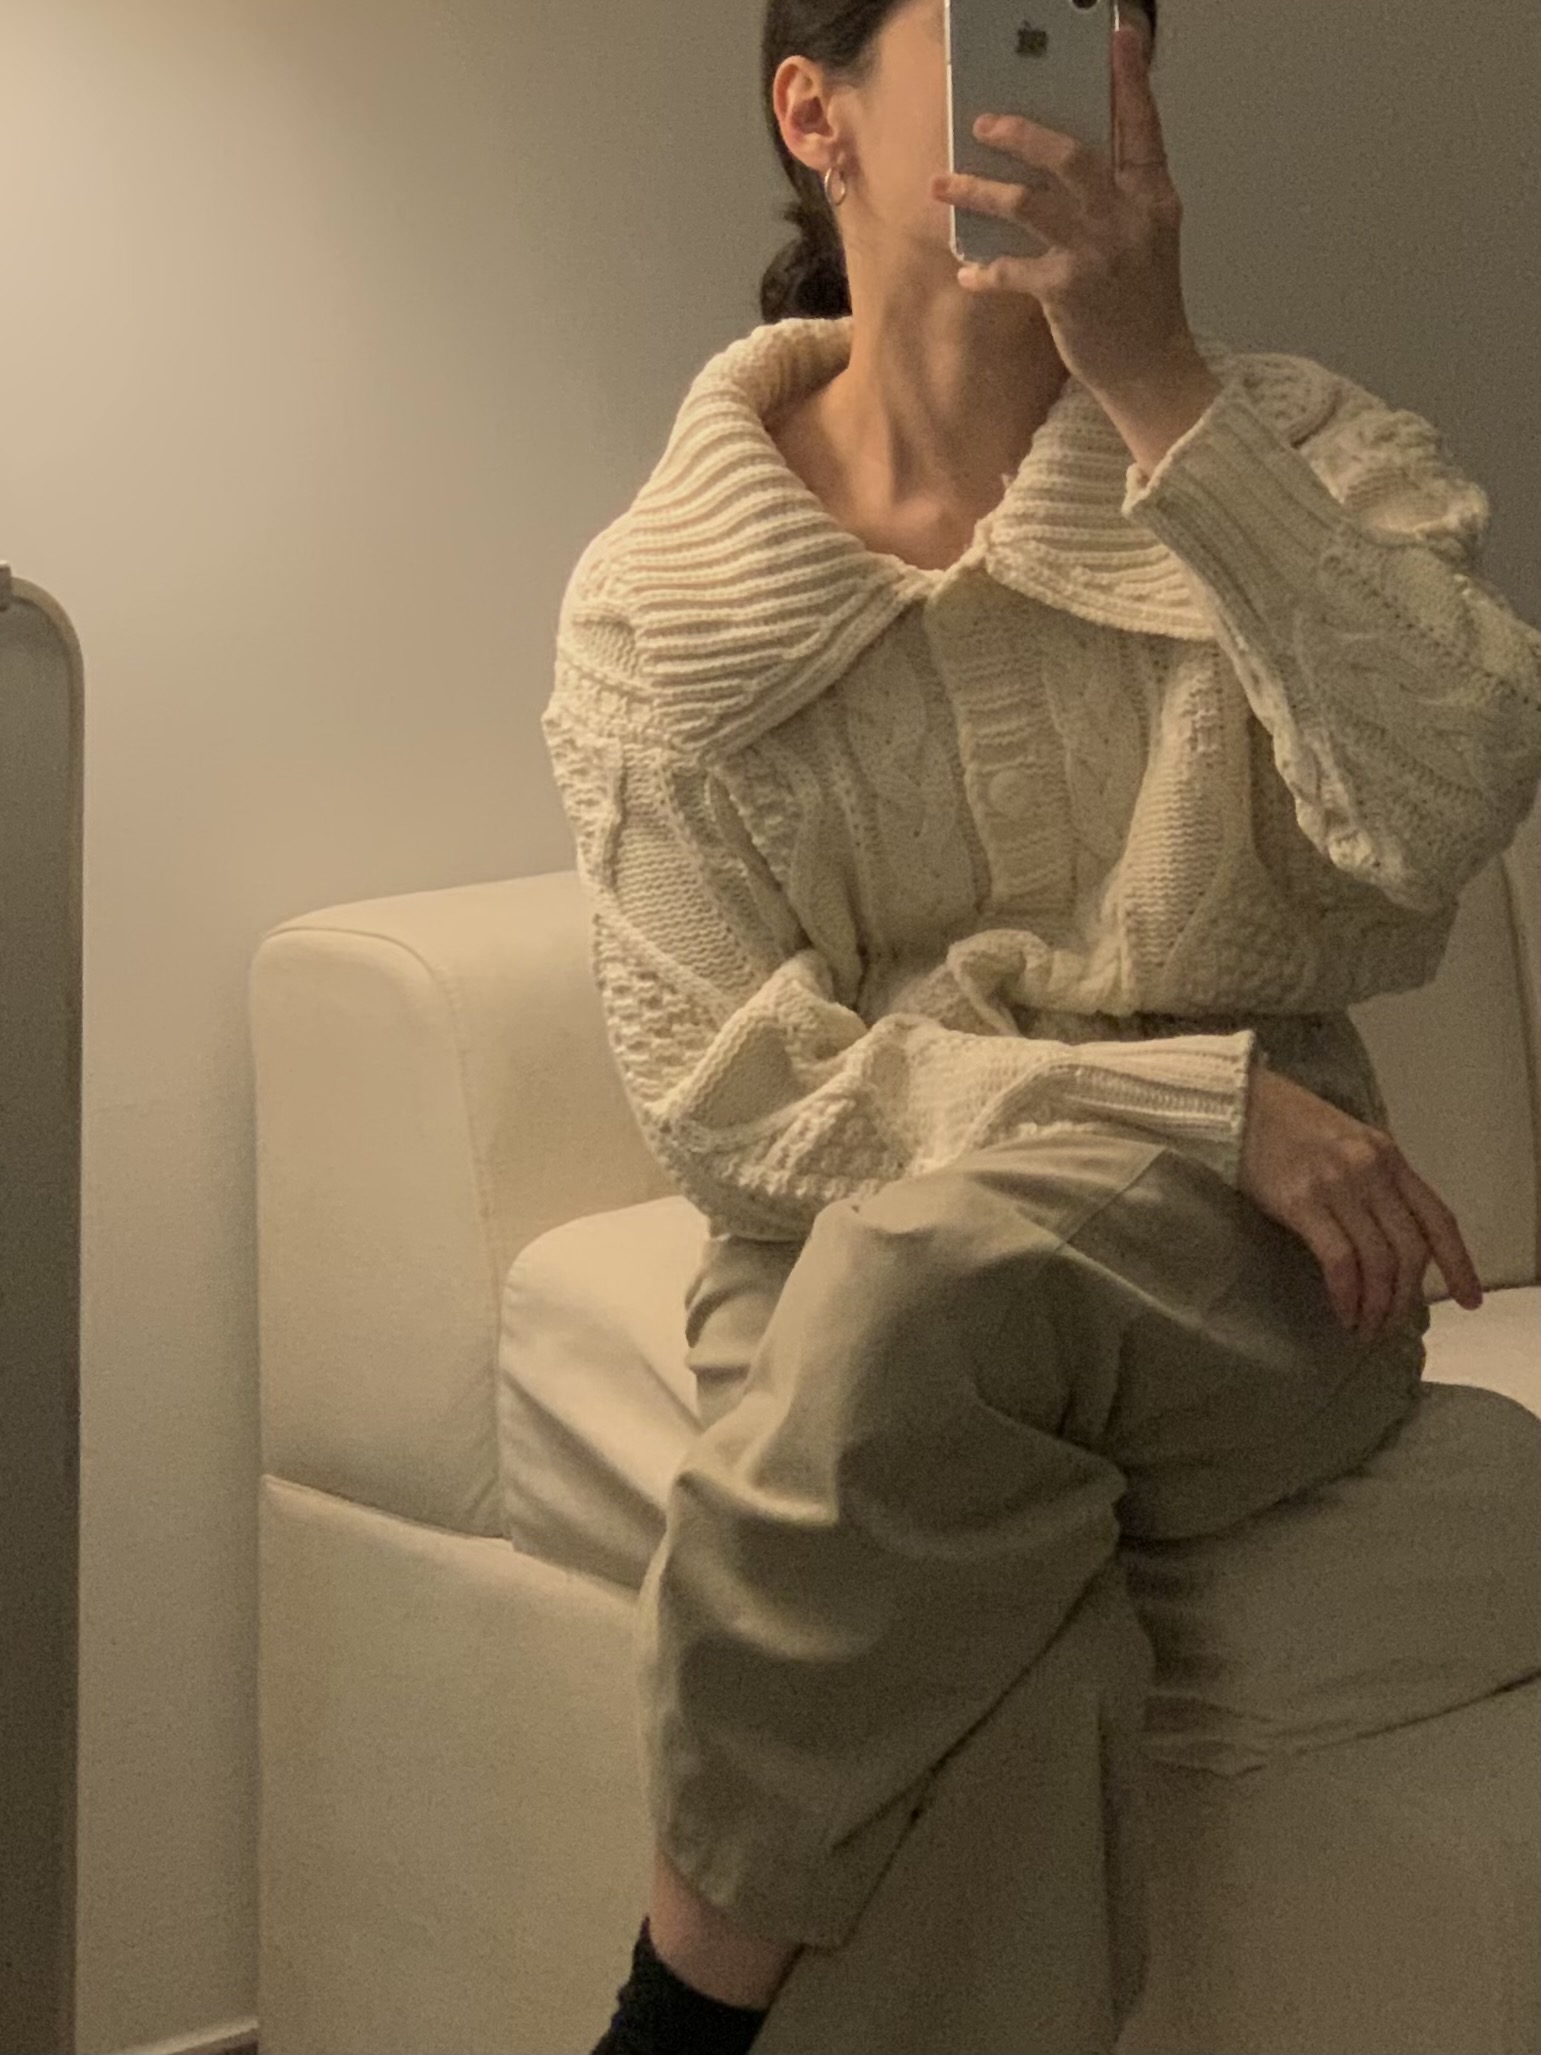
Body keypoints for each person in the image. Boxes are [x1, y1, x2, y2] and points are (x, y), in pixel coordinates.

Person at [541, 1, 1540, 2048]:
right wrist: (1198, 1105)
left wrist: (1160, 389)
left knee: (926, 1291)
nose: (1076, 76)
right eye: (1005, 21)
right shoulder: (663, 599)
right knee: (992, 1581)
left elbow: (1448, 802)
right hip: (856, 1259)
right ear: (812, 112)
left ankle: (676, 2001)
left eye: (1112, 30)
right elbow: (727, 1096)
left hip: (1245, 1279)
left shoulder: (1301, 451)